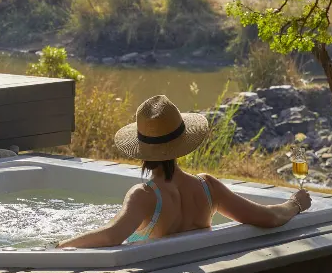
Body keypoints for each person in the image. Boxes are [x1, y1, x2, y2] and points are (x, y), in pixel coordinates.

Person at [57, 95, 311, 249]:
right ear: (182, 142)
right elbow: (268, 217)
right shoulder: (208, 187)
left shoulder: (143, 196)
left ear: (142, 149)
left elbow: (112, 236)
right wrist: (295, 203)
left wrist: (61, 246)